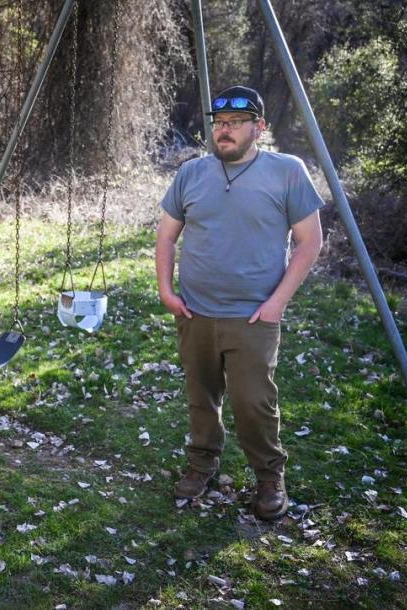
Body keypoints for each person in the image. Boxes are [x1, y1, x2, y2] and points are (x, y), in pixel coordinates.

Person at [154, 85, 324, 520]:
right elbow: (167, 236)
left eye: (234, 124)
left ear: (259, 128)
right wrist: (166, 290)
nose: (223, 132)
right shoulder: (191, 174)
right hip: (195, 311)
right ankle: (201, 464)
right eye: (219, 124)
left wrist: (276, 304)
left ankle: (269, 478)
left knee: (253, 401)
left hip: (254, 315)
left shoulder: (287, 171)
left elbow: (310, 243)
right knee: (201, 396)